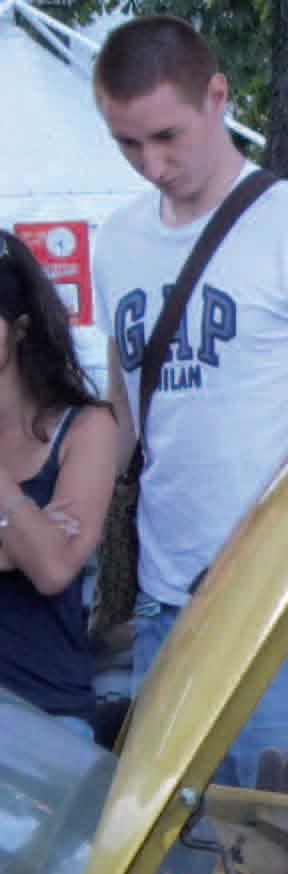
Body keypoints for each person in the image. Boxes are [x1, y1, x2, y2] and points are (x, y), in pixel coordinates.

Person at [91, 15, 288, 786]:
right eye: (127, 143)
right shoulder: (115, 242)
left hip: (285, 609)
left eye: (167, 136)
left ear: (217, 97)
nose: (151, 164)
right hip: (166, 610)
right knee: (180, 850)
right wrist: (57, 518)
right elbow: (123, 412)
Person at [0, 231, 119, 732]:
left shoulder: (86, 427)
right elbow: (42, 553)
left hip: (46, 708)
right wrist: (24, 537)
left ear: (20, 327)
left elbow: (51, 569)